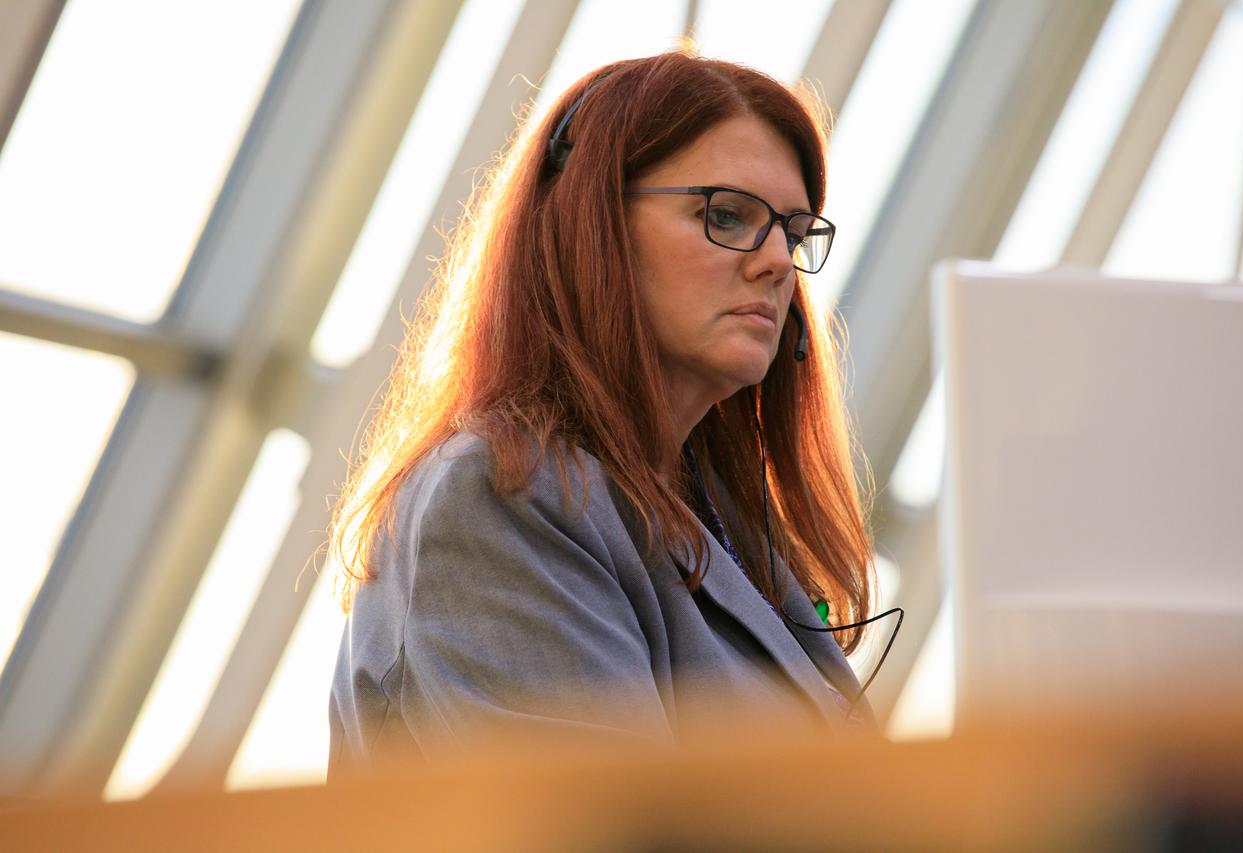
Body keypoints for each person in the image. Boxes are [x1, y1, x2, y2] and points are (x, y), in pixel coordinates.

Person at [327, 48, 891, 774]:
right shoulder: (497, 498)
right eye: (726, 214)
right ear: (591, 227)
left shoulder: (731, 526)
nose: (778, 261)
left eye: (793, 229)